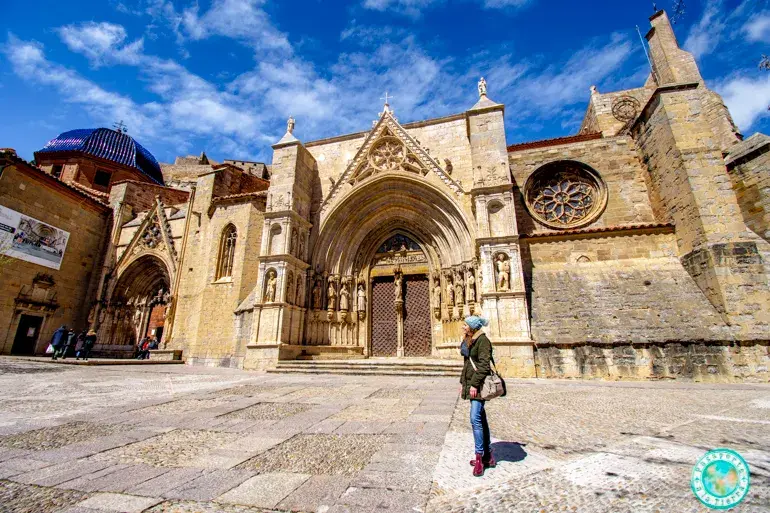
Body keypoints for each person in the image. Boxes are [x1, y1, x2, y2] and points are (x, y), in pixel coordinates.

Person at [459, 315, 495, 477]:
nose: (462, 327)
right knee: (481, 418)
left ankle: (479, 456)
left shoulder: (483, 341)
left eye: (465, 325)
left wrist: (473, 384)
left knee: (475, 418)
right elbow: (467, 363)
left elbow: (484, 364)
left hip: (479, 385)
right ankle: (488, 455)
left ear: (472, 327)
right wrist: (463, 384)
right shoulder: (471, 340)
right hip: (472, 383)